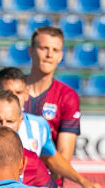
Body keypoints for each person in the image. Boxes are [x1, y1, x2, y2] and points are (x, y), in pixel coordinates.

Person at [0, 67, 105, 188]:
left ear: (26, 94)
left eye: (18, 92)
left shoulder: (39, 126)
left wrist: (83, 182)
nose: (13, 97)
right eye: (7, 92)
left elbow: (52, 159)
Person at [24, 26, 79, 162]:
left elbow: (64, 155)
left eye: (55, 50)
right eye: (44, 48)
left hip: (48, 179)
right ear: (31, 51)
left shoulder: (67, 96)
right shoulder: (9, 89)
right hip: (12, 178)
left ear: (60, 56)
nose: (49, 55)